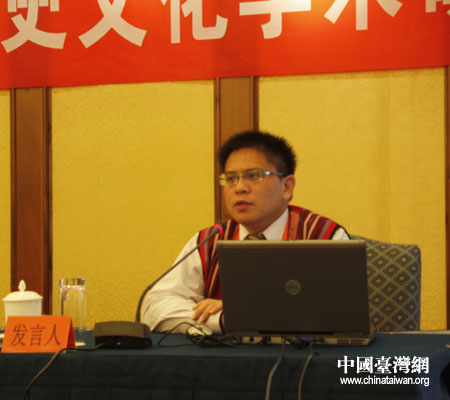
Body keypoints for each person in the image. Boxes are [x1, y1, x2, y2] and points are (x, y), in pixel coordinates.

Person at [142, 130, 349, 333]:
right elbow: (154, 307)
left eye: (253, 176)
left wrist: (242, 312)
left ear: (287, 187)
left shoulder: (324, 236)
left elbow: (344, 310)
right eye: (231, 178)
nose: (239, 187)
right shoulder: (209, 241)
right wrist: (222, 319)